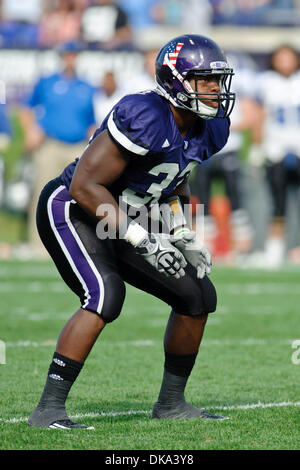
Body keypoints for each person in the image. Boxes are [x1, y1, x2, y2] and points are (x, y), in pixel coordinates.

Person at [27, 34, 235, 429]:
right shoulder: (145, 115)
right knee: (106, 295)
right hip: (75, 208)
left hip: (126, 213)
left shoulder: (211, 127)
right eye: (205, 80)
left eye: (218, 79)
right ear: (175, 82)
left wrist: (181, 233)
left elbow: (173, 178)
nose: (215, 89)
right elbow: (85, 186)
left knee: (196, 294)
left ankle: (171, 404)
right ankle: (48, 409)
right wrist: (143, 239)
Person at [19, 40, 96, 258]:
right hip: (50, 145)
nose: (70, 59)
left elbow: (91, 121)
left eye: (73, 55)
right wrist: (30, 131)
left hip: (78, 147)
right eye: (67, 55)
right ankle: (38, 246)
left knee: (81, 197)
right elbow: (26, 109)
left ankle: (80, 244)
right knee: (42, 194)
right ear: (62, 57)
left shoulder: (87, 87)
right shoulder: (47, 82)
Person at [252, 44, 300, 267]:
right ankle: (275, 248)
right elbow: (259, 115)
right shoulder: (267, 82)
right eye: (281, 58)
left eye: (288, 58)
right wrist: (257, 146)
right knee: (277, 202)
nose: (285, 62)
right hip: (276, 148)